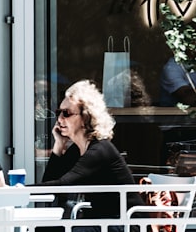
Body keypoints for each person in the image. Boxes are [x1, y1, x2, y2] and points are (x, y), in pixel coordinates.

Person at [40, 79, 143, 226]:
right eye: (58, 112)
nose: (59, 119)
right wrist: (59, 145)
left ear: (86, 117)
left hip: (124, 225)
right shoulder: (78, 149)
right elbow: (50, 183)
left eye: (66, 113)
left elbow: (64, 184)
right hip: (103, 223)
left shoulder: (99, 150)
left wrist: (18, 190)